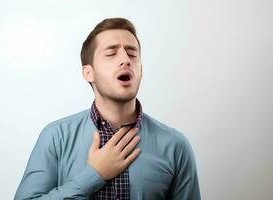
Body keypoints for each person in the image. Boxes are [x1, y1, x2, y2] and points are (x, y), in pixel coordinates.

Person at [14, 17, 201, 200]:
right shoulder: (55, 137)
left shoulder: (176, 146)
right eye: (111, 53)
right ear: (89, 73)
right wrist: (94, 175)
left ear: (141, 71)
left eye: (132, 54)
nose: (125, 60)